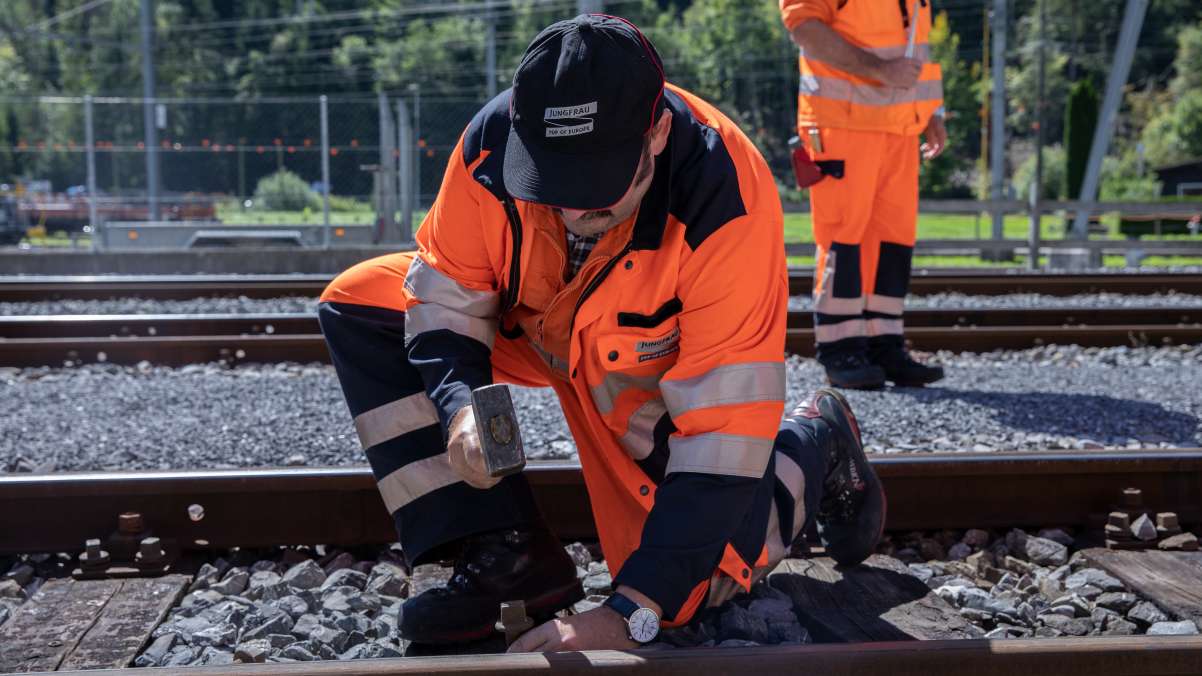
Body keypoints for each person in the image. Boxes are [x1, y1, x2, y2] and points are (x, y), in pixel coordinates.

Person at [319, 14, 885, 653]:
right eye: (554, 182)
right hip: (536, 329)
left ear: (657, 134)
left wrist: (630, 612)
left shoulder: (727, 201)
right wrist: (462, 409)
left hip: (649, 369)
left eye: (598, 185)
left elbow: (721, 438)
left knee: (710, 574)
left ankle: (816, 441)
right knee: (361, 302)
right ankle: (508, 557)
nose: (573, 209)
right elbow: (445, 298)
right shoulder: (488, 148)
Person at [780, 0, 949, 389]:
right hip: (841, 122)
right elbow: (804, 27)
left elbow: (913, 43)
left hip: (900, 126)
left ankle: (883, 345)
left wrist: (932, 111)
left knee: (893, 239)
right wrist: (879, 70)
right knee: (843, 236)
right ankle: (840, 349)